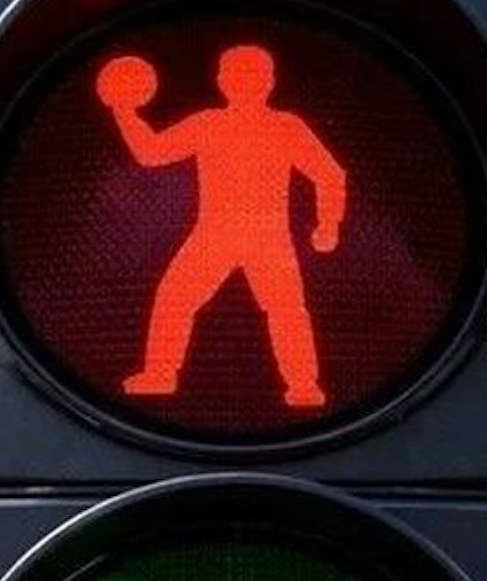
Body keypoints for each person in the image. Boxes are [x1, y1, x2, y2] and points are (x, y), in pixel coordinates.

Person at [96, 45, 348, 408]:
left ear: (269, 81)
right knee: (176, 298)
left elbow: (329, 175)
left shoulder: (283, 127)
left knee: (285, 309)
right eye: (236, 75)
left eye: (253, 76)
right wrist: (124, 111)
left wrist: (328, 225)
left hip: (263, 236)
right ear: (222, 81)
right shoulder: (211, 123)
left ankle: (304, 385)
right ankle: (160, 375)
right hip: (218, 234)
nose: (244, 83)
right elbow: (151, 153)